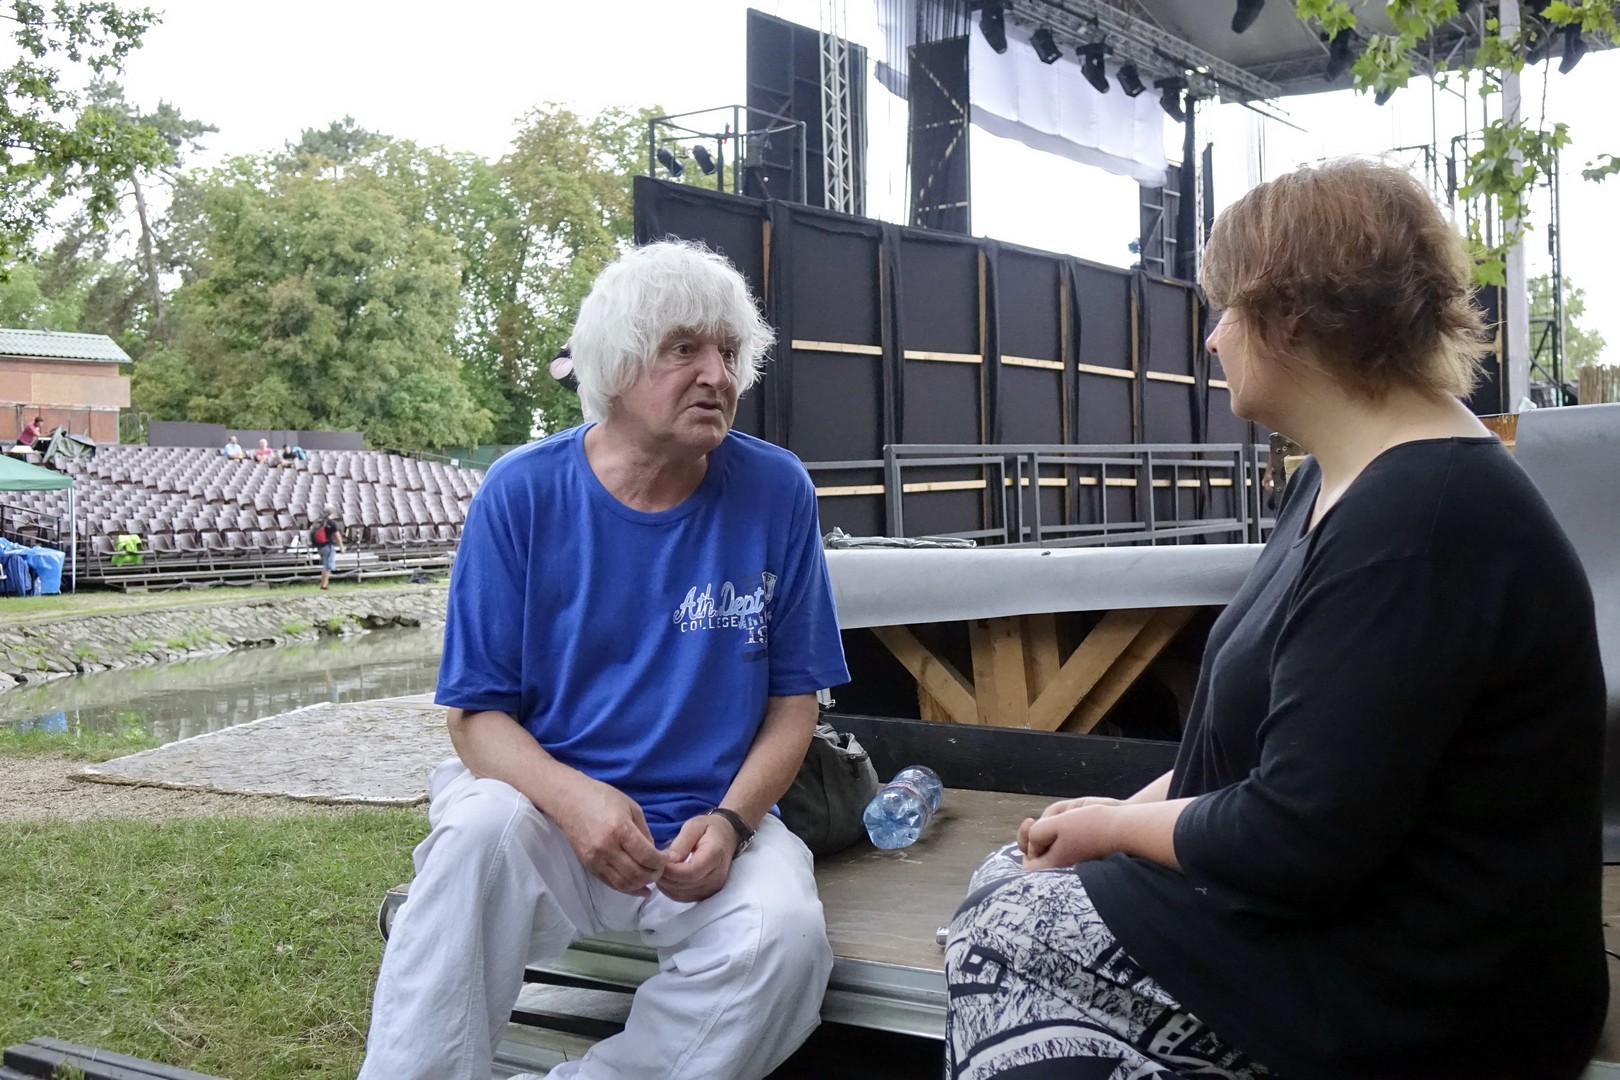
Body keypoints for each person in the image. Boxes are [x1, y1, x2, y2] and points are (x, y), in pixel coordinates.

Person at [944, 159, 1607, 1080]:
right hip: (1342, 918)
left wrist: (1112, 832)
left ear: (1289, 316)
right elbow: (1272, 753)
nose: (1213, 338)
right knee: (1005, 885)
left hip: (1422, 983)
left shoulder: (1420, 523)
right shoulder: (1336, 482)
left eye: (1225, 310)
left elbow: (1297, 839)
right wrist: (1115, 810)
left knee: (1002, 934)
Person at [358, 240, 849, 1080]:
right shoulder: (520, 492)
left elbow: (793, 704)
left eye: (729, 352)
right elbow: (475, 719)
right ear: (617, 367)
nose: (717, 375)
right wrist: (576, 801)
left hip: (706, 824)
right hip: (546, 812)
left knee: (785, 940)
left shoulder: (777, 490)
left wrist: (732, 824)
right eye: (684, 349)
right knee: (476, 836)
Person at [314, 505, 343, 590]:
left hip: (320, 546)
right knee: (327, 566)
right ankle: (324, 585)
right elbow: (337, 536)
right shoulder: (332, 523)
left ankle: (326, 584)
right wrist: (341, 547)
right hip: (328, 546)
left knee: (326, 565)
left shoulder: (319, 522)